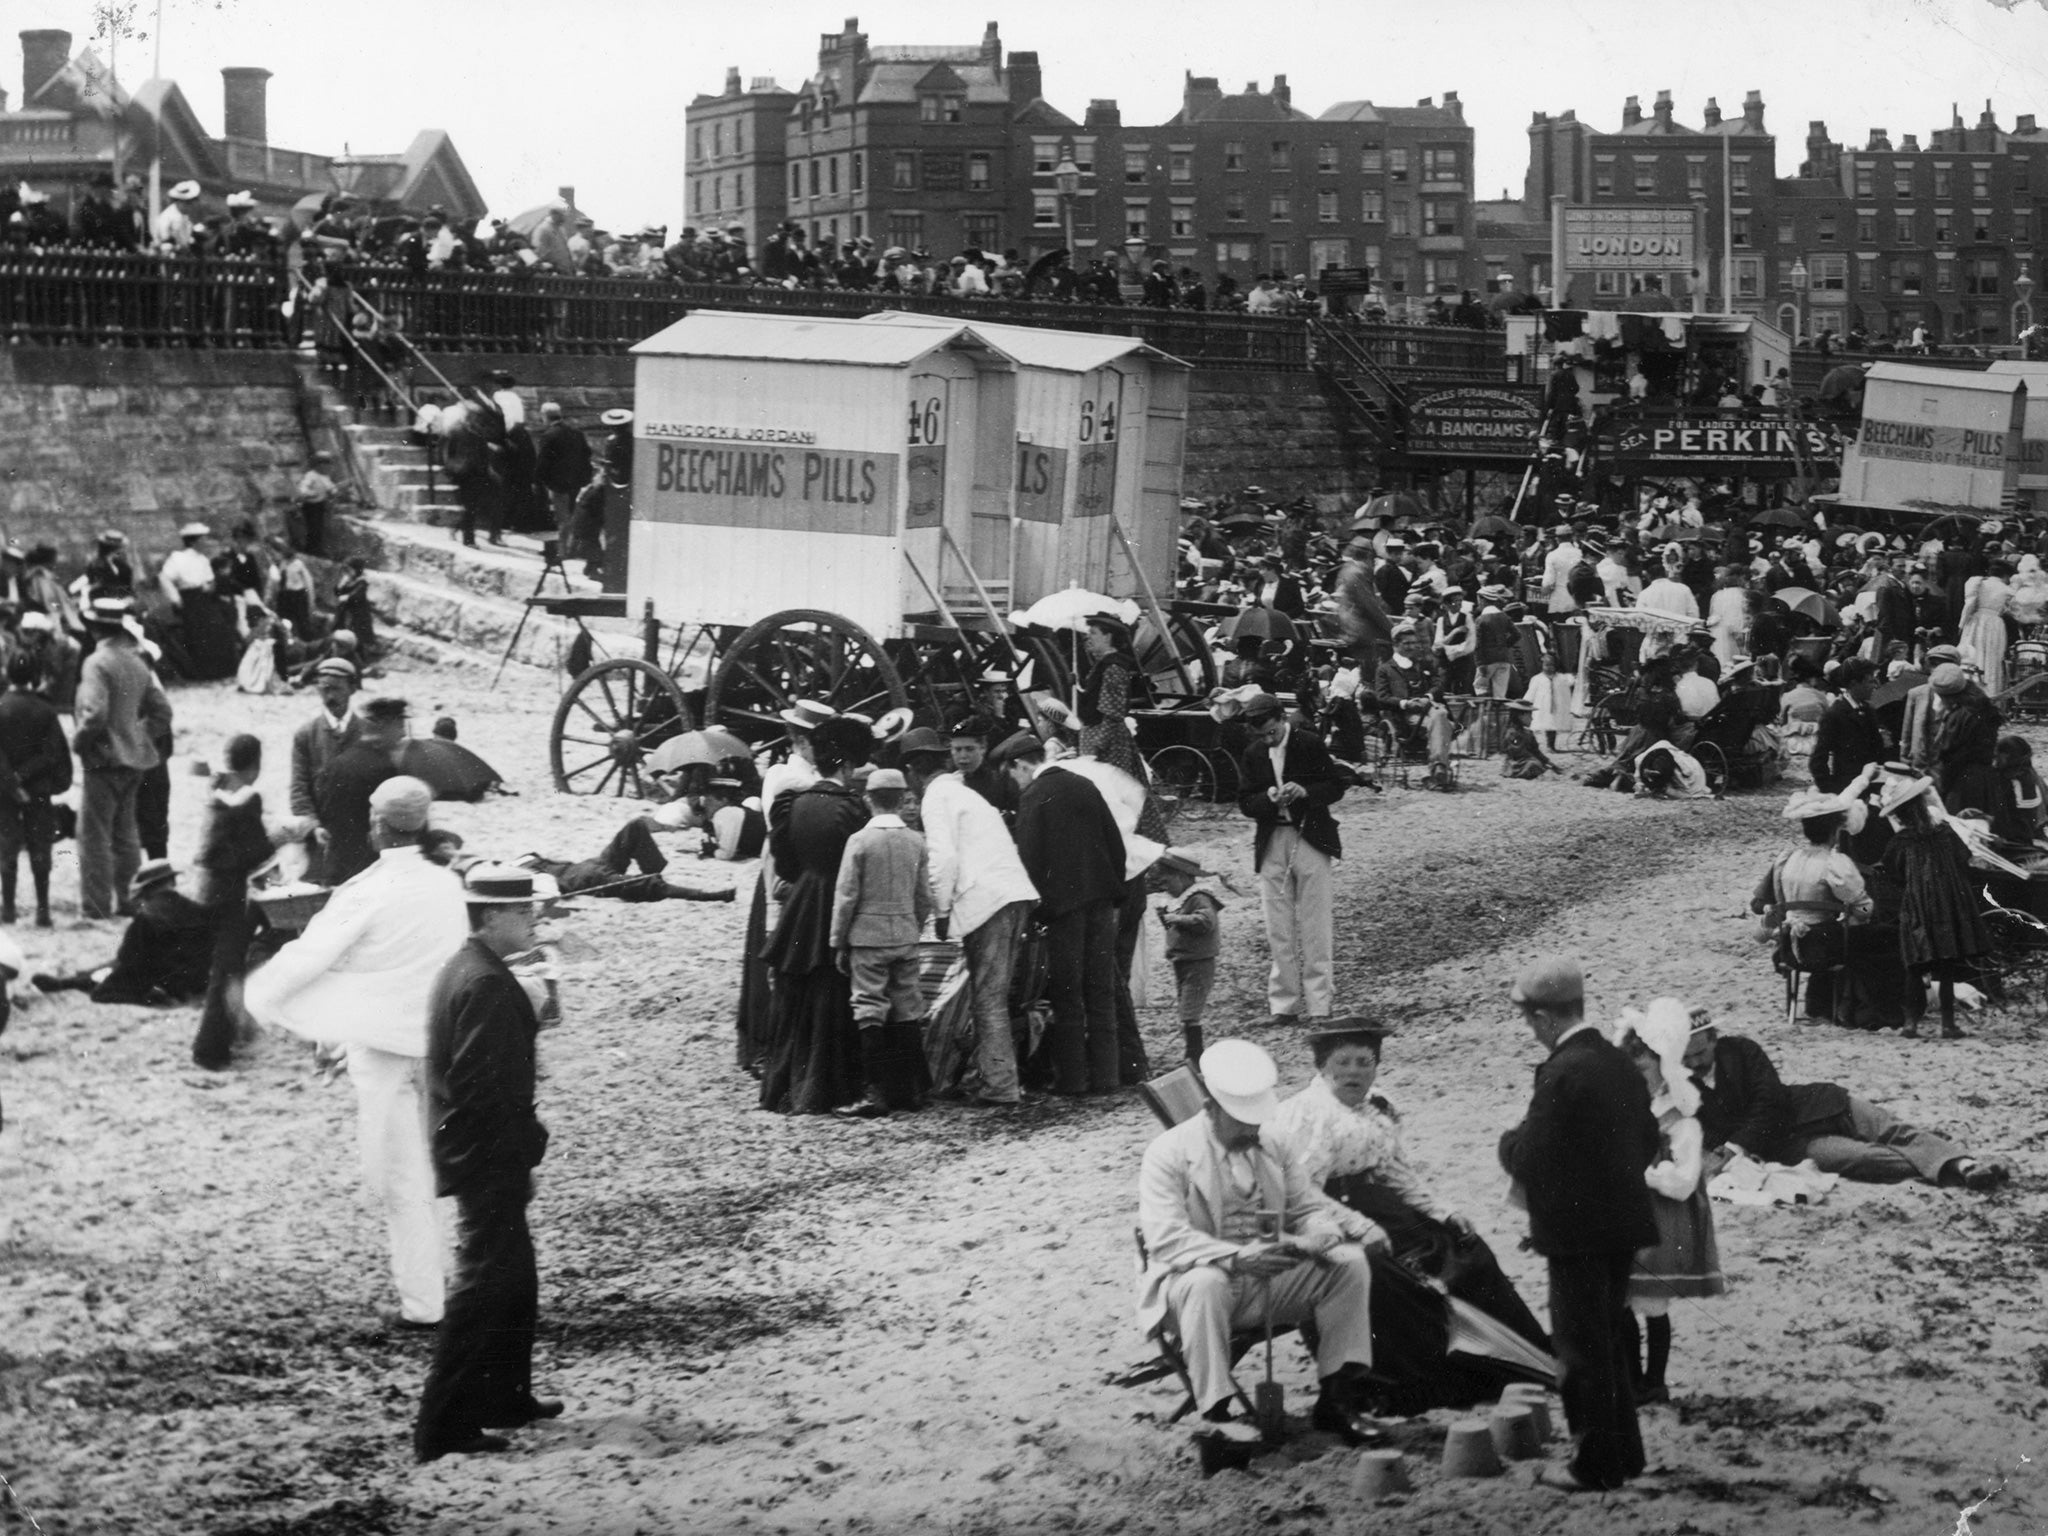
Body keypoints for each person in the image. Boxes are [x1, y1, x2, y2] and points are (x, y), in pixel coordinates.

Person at [245, 778, 469, 1328]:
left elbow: (310, 957)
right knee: (436, 1170)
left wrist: (258, 996)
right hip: (440, 1046)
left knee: (401, 1180)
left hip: (383, 1048)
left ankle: (424, 1304)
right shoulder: (446, 888)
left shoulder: (366, 891)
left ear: (378, 826)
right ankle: (444, 1286)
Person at [1271, 1020, 1552, 1412]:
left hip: (1380, 1204)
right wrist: (1357, 1227)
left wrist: (1442, 1210)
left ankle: (1515, 1354)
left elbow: (1395, 1171)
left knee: (1463, 1247)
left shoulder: (1376, 1106)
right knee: (1398, 1279)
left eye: (1364, 1062)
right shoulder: (1310, 1115)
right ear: (1322, 1067)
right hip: (1327, 1216)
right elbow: (1302, 1194)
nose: (1354, 1072)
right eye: (1343, 1062)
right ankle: (1428, 1376)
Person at [1136, 1039, 1386, 1439]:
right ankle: (1217, 1414)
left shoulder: (1273, 1140)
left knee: (1348, 1264)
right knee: (1207, 1282)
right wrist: (1236, 1257)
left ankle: (1337, 1399)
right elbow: (1165, 1238)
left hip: (1265, 1282)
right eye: (1242, 1120)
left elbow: (1305, 1207)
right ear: (1210, 1109)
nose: (1253, 1129)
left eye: (1257, 1119)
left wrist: (1320, 1233)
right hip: (1190, 1287)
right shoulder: (1168, 1152)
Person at [414, 865, 560, 1462]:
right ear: (490, 916)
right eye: (523, 912)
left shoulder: (469, 967)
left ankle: (504, 1394)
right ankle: (442, 1426)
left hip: (477, 1144)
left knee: (513, 1274)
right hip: (484, 1150)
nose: (533, 919)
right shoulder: (486, 982)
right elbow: (481, 1086)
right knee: (481, 1283)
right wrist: (524, 1141)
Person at [1498, 954, 1659, 1493]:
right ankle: (1625, 1458)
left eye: (1531, 1023)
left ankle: (1592, 1466)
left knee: (1579, 1352)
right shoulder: (1616, 1061)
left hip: (1577, 1233)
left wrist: (1508, 1145)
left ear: (1545, 1018)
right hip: (1624, 1224)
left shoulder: (1562, 1071)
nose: (1533, 1033)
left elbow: (1530, 1158)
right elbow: (1647, 1141)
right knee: (1610, 1342)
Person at [1686, 1016, 2008, 1188]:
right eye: (1686, 1057)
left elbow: (1769, 1101)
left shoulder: (1742, 1050)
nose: (1694, 1062)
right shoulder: (1679, 1083)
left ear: (1714, 1039)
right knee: (1864, 1159)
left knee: (1893, 1130)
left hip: (1818, 1103)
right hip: (1789, 1145)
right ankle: (1957, 1165)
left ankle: (1963, 1164)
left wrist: (1734, 1146)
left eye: (1700, 1052)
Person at [1001, 730, 1127, 1096]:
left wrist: (1036, 910)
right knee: (1100, 990)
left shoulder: (1034, 797)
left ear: (1022, 765)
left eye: (1014, 774)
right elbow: (1114, 843)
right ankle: (1108, 1075)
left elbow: (1029, 861)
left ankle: (1073, 1080)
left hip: (1062, 912)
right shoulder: (1084, 784)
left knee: (1068, 993)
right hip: (1102, 903)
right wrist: (1110, 890)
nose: (1016, 781)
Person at [759, 717, 874, 1115]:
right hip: (834, 900)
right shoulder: (854, 809)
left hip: (802, 902)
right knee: (831, 992)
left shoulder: (792, 803)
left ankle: (782, 1087)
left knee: (795, 992)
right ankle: (824, 1089)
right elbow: (861, 869)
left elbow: (785, 863)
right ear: (845, 767)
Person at [1616, 1000, 1725, 1406]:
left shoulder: (1680, 1118)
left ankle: (1654, 1380)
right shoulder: (1628, 1110)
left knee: (1650, 1300)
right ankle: (1631, 1377)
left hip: (1663, 1217)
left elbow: (1683, 1179)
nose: (1637, 1078)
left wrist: (1642, 1174)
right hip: (1626, 1214)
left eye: (1643, 1069)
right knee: (1621, 1297)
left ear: (1662, 1069)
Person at [917, 745, 1038, 1107]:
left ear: (913, 773)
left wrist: (940, 912)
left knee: (988, 999)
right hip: (1010, 894)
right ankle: (991, 1076)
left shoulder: (935, 796)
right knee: (993, 996)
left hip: (989, 901)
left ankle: (1000, 1085)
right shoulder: (964, 794)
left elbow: (944, 858)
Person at [828, 768, 933, 1119]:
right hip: (904, 933)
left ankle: (875, 1092)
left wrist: (838, 941)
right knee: (906, 1006)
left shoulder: (859, 841)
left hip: (867, 938)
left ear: (868, 799)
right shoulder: (916, 841)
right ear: (903, 798)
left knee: (869, 1008)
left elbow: (846, 897)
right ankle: (912, 1091)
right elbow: (924, 898)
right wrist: (912, 927)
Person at [1236, 693, 1346, 1026]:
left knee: (1315, 923)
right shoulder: (1254, 753)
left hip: (1310, 837)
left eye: (1271, 732)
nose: (1267, 739)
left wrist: (1306, 792)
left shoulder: (1309, 743)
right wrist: (1268, 798)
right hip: (1273, 840)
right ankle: (1283, 1005)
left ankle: (1319, 1005)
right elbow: (1244, 801)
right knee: (1277, 927)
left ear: (1282, 719)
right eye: (1262, 735)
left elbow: (1336, 785)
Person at [190, 734, 291, 1071]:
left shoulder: (217, 789)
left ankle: (225, 1036)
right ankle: (211, 1048)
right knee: (228, 968)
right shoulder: (249, 798)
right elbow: (252, 851)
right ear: (256, 764)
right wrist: (278, 839)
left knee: (222, 966)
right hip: (231, 893)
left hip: (206, 888)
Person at [74, 597, 172, 920]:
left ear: (95, 626)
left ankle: (97, 905)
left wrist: (80, 740)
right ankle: (129, 899)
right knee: (126, 834)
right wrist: (138, 736)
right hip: (134, 759)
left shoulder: (96, 662)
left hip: (103, 759)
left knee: (95, 835)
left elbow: (94, 713)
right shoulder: (137, 662)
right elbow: (163, 711)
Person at [1880, 775, 1991, 1039]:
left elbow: (1891, 871)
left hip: (1916, 905)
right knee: (1947, 965)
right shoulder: (1944, 832)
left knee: (1915, 964)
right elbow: (1964, 858)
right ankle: (1947, 1024)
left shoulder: (1901, 841)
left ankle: (1910, 1023)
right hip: (1948, 902)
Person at [30, 859, 216, 1004]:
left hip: (166, 982)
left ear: (147, 890)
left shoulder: (147, 916)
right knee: (112, 968)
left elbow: (127, 958)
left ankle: (70, 982)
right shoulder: (198, 910)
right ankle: (73, 980)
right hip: (198, 981)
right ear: (172, 881)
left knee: (105, 988)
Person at [0, 652, 70, 926]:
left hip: (3, 791)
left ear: (7, 674)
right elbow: (53, 754)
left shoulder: (1, 707)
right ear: (34, 677)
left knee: (7, 847)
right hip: (38, 788)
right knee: (40, 848)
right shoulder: (45, 710)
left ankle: (8, 909)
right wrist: (25, 776)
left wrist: (12, 781)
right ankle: (43, 910)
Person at [314, 696, 412, 886]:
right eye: (400, 726)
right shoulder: (385, 769)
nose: (402, 734)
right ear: (385, 725)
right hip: (372, 872)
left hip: (338, 869)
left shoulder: (336, 764)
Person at [515, 817, 733, 902]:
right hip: (588, 877)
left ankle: (653, 874)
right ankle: (709, 896)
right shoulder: (526, 878)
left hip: (592, 865)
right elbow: (552, 894)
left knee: (635, 827)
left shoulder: (521, 867)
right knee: (649, 885)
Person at [291, 659, 361, 883]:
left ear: (352, 688)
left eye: (337, 688)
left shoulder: (368, 734)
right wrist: (312, 826)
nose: (329, 696)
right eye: (324, 689)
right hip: (322, 840)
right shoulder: (306, 735)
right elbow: (298, 788)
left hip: (361, 839)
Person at [1156, 850, 1223, 1062]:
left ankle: (1195, 1054)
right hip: (1183, 960)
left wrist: (1177, 918)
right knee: (1186, 1009)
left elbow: (1206, 922)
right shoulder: (1185, 899)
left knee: (1190, 1011)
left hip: (1198, 962)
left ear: (1181, 877)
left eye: (1168, 882)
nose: (1165, 888)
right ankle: (1192, 1051)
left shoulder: (1199, 897)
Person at [1808, 658, 1883, 793]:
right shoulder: (1835, 714)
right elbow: (1818, 760)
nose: (1875, 686)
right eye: (1870, 681)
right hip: (1847, 788)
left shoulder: (1869, 710)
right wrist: (1831, 790)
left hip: (1872, 786)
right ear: (1854, 683)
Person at [532, 403, 592, 544]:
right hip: (577, 481)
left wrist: (537, 481)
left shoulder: (548, 435)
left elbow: (542, 462)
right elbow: (587, 453)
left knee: (562, 518)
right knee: (573, 515)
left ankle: (564, 549)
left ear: (545, 416)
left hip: (558, 484)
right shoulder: (576, 433)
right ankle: (573, 546)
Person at [699, 777, 766, 862]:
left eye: (710, 800)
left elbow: (725, 854)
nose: (705, 805)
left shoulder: (727, 813)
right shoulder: (737, 811)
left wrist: (712, 851)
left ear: (724, 800)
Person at [295, 453, 338, 555]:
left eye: (329, 465)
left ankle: (318, 549)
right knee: (314, 529)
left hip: (321, 506)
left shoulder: (325, 476)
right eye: (326, 464)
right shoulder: (311, 475)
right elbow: (303, 490)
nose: (328, 467)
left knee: (320, 529)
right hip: (311, 507)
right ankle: (311, 551)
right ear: (319, 465)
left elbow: (331, 488)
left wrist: (334, 491)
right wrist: (313, 493)